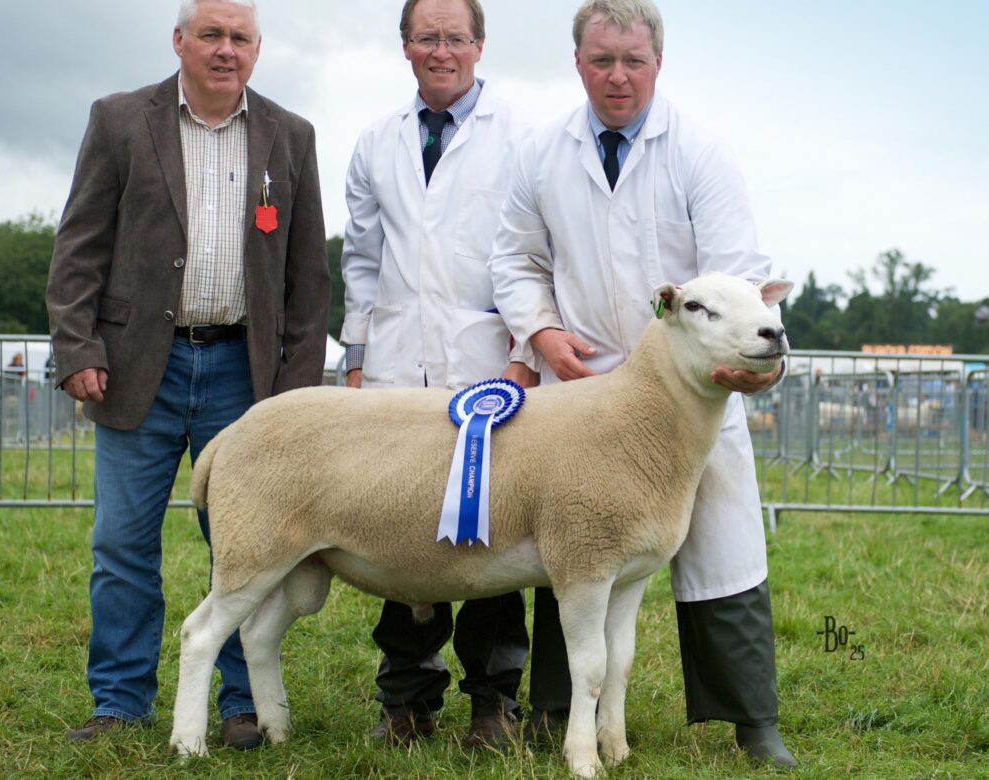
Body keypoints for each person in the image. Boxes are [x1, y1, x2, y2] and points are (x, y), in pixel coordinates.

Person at [488, 0, 796, 768]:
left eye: (633, 60)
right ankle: (557, 711)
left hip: (693, 386)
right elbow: (515, 258)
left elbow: (738, 273)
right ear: (578, 62)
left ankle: (752, 719)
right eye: (602, 60)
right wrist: (542, 332)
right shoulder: (541, 153)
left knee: (721, 542)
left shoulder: (699, 152)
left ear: (658, 62)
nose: (617, 76)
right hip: (586, 386)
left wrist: (744, 358)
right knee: (576, 544)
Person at [45, 0, 329, 751]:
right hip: (137, 365)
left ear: (257, 49)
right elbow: (78, 248)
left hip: (244, 372)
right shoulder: (119, 120)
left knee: (243, 548)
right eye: (210, 34)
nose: (225, 49)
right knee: (122, 543)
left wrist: (296, 392)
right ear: (179, 41)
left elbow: (308, 279)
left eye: (240, 37)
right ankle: (119, 702)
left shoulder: (291, 135)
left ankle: (239, 703)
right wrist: (77, 347)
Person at [340, 0, 535, 749]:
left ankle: (494, 705)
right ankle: (407, 701)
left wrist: (522, 355)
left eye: (455, 37)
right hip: (397, 372)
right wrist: (357, 360)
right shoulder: (375, 142)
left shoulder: (520, 139)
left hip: (488, 372)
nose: (441, 50)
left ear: (480, 45)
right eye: (427, 37)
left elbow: (533, 254)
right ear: (405, 46)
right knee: (400, 535)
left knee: (491, 538)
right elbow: (361, 260)